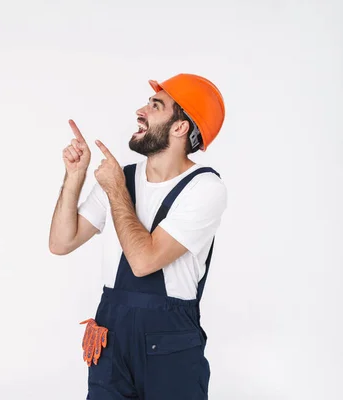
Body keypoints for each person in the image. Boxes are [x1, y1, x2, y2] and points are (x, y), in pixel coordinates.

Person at [48, 73, 227, 400]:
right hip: (111, 336)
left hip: (170, 342)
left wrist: (115, 189)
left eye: (155, 105)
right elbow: (61, 242)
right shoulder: (124, 177)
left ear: (180, 127)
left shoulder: (205, 188)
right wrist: (75, 176)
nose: (140, 111)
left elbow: (144, 262)